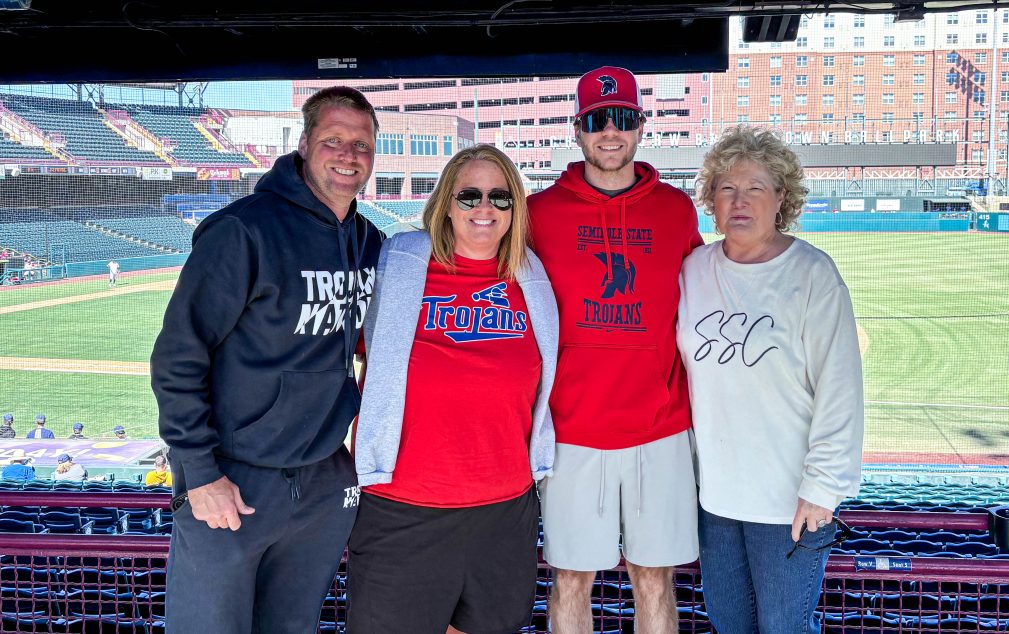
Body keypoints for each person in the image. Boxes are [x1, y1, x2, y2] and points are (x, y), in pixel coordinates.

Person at [151, 85, 384, 634]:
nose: (349, 156)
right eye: (334, 140)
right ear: (304, 144)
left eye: (362, 144)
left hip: (322, 485)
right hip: (233, 483)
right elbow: (179, 358)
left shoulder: (370, 241)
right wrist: (202, 474)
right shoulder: (243, 230)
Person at [349, 145, 558, 634]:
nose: (484, 208)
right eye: (469, 195)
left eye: (499, 197)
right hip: (404, 508)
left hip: (504, 512)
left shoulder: (533, 279)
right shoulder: (396, 267)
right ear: (445, 202)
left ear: (515, 208)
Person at [527, 65, 704, 633]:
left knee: (654, 577)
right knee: (570, 579)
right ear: (577, 130)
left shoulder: (675, 210)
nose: (610, 132)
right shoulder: (539, 213)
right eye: (597, 120)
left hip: (660, 428)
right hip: (572, 430)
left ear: (640, 126)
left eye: (622, 119)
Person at [677, 126, 864, 633]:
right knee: (730, 624)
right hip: (714, 500)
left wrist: (823, 488)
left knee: (785, 627)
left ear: (781, 197)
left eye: (755, 188)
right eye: (726, 188)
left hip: (789, 503)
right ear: (711, 201)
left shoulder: (812, 274)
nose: (740, 201)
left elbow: (840, 390)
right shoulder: (692, 270)